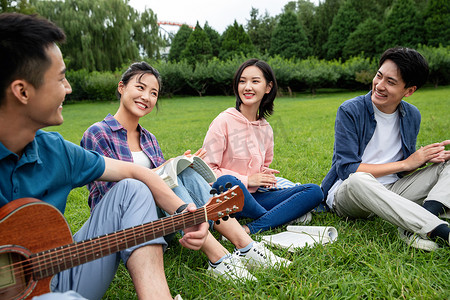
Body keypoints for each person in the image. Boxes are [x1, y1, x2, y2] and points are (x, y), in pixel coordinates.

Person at [0, 13, 209, 300]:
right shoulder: (98, 132)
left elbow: (138, 172)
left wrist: (183, 212)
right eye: (60, 78)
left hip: (56, 273)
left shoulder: (55, 151)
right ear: (22, 91)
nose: (69, 88)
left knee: (133, 189)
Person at [80, 61, 291, 282]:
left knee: (185, 173)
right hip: (124, 225)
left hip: (161, 220)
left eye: (153, 93)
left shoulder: (149, 139)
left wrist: (178, 164)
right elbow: (114, 195)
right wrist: (163, 170)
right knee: (172, 177)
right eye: (140, 88)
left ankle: (245, 245)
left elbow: (164, 182)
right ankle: (219, 257)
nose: (146, 97)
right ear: (121, 87)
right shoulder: (98, 133)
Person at [321, 47, 450, 251]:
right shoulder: (350, 110)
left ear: (409, 91)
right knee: (359, 179)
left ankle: (415, 224)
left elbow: (401, 171)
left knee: (448, 163)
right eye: (379, 76)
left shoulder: (412, 115)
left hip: (393, 192)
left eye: (390, 82)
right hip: (350, 194)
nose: (379, 86)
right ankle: (439, 230)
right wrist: (408, 162)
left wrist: (422, 160)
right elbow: (347, 170)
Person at [202, 58, 324, 235]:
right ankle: (279, 216)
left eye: (255, 81)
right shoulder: (223, 121)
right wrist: (248, 180)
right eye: (242, 81)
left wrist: (264, 175)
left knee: (314, 191)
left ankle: (251, 227)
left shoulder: (266, 129)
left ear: (268, 88)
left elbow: (263, 167)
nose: (247, 87)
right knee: (226, 182)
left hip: (257, 198)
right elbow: (207, 171)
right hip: (230, 196)